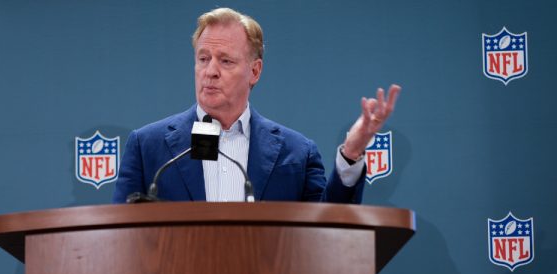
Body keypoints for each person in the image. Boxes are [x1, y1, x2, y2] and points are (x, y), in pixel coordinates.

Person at [112, 7, 400, 204]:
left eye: (225, 60)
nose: (210, 71)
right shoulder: (148, 147)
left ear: (255, 71)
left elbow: (328, 231)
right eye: (203, 58)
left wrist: (351, 153)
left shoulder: (296, 154)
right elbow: (120, 237)